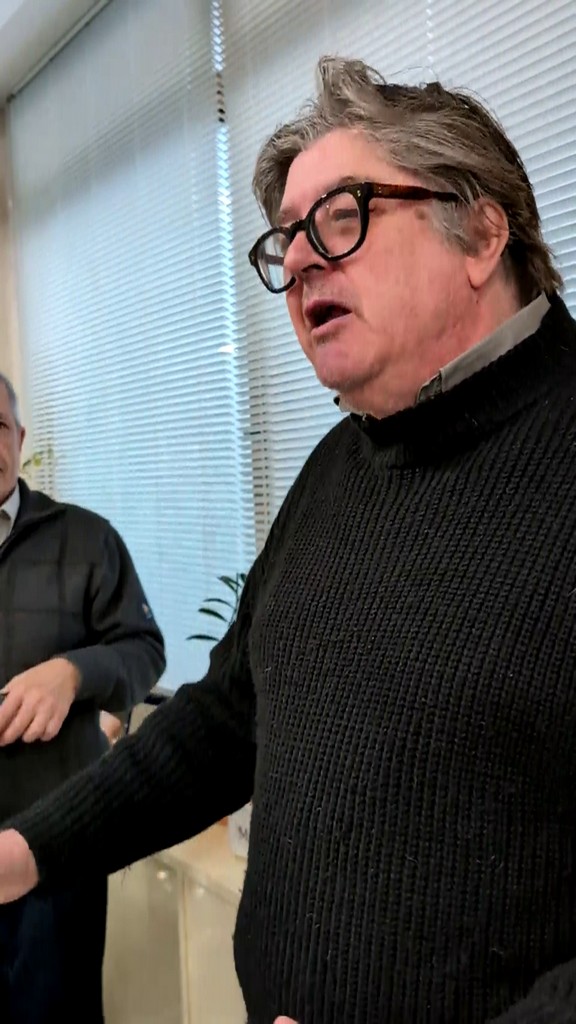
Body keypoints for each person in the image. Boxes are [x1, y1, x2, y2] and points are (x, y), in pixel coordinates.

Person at [0, 54, 574, 1023]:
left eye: (341, 217)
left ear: (481, 232)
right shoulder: (338, 467)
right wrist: (24, 850)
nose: (300, 260)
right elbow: (227, 720)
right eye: (286, 240)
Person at [0, 373, 165, 1022]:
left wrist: (73, 672)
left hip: (57, 850)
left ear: (19, 437)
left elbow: (143, 650)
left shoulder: (86, 539)